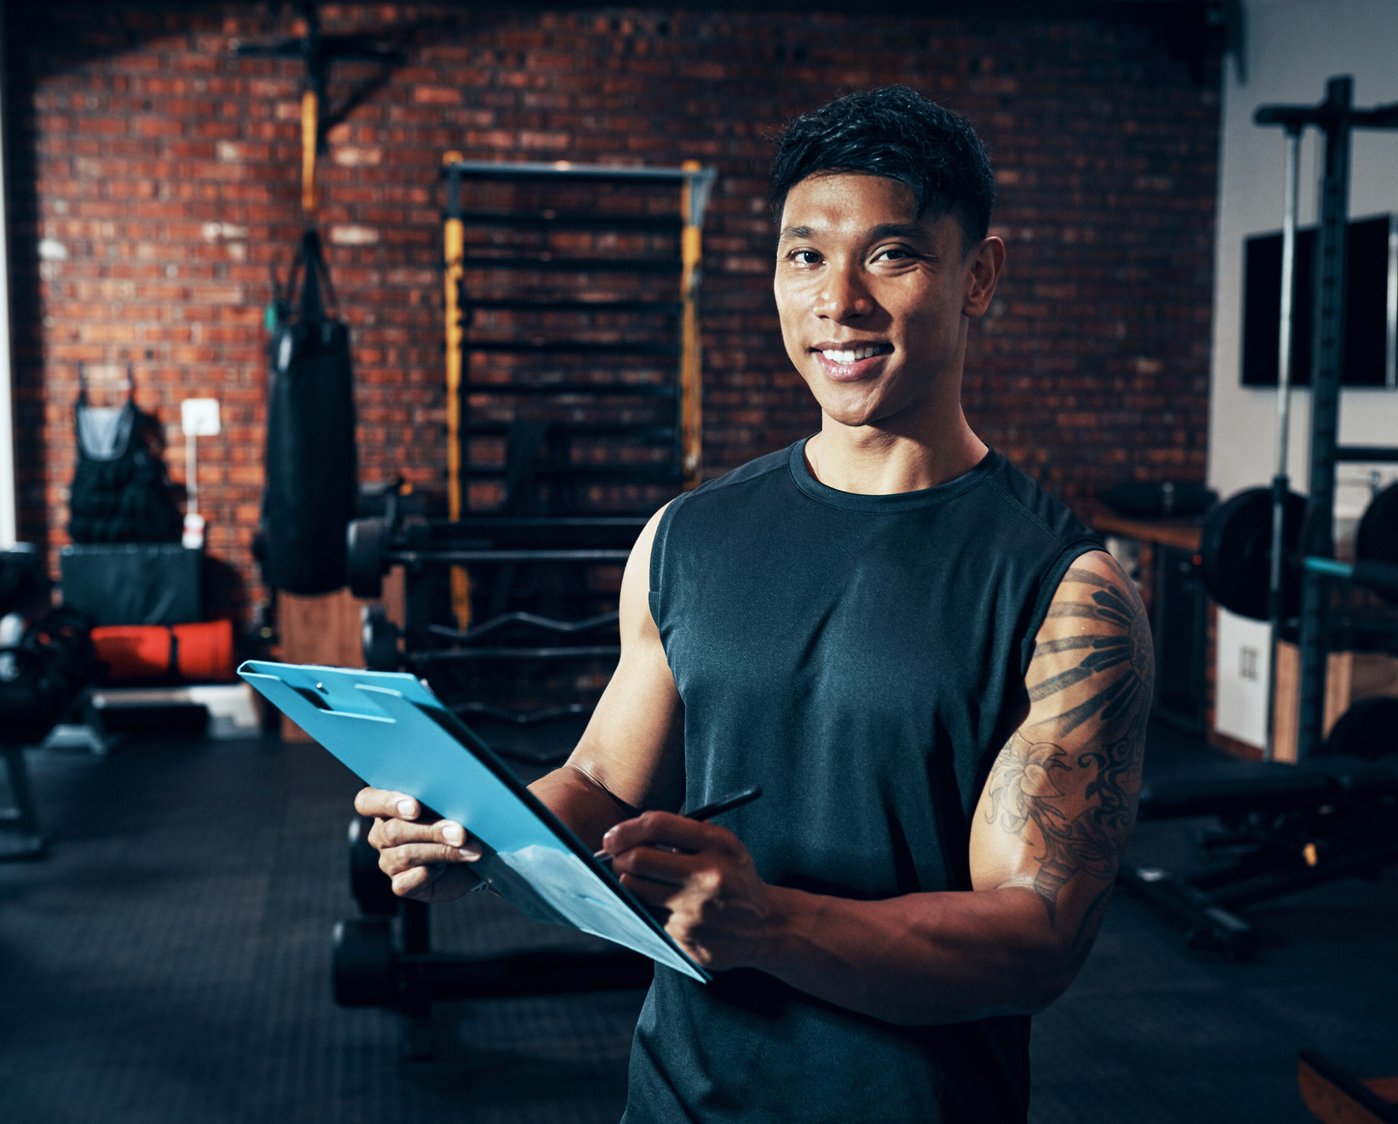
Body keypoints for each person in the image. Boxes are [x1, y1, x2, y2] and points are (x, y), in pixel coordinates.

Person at [357, 85, 1151, 1122]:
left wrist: (772, 924)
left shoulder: (1065, 593)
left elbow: (1037, 937)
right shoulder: (684, 536)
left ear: (978, 276)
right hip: (677, 1095)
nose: (839, 302)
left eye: (891, 254)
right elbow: (602, 777)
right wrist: (477, 833)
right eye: (805, 254)